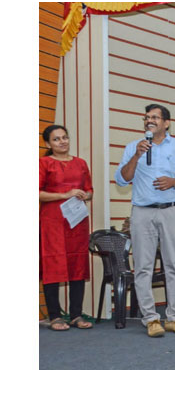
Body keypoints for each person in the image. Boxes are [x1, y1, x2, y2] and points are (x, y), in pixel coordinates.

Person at [114, 103, 175, 337]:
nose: (149, 121)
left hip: (172, 211)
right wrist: (137, 155)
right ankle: (150, 318)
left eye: (154, 117)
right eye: (146, 117)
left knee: (174, 265)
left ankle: (174, 318)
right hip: (142, 212)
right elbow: (122, 180)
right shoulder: (134, 147)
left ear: (166, 123)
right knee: (143, 267)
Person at [40, 125, 94, 331]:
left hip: (77, 220)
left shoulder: (80, 163)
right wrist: (65, 194)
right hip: (52, 221)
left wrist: (84, 195)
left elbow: (89, 190)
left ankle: (76, 315)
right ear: (48, 144)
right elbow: (37, 193)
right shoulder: (43, 163)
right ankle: (55, 316)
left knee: (77, 263)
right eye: (56, 139)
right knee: (53, 263)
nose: (62, 142)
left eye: (65, 137)